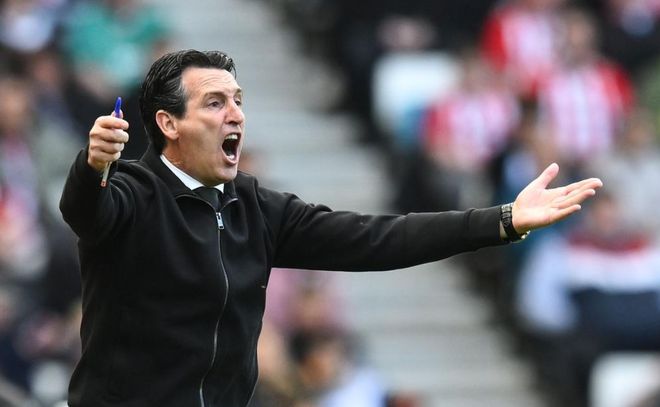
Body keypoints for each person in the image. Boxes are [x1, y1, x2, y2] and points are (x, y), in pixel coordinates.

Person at [58, 49, 602, 407]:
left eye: (239, 102)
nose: (236, 115)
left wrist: (501, 220)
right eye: (215, 103)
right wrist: (93, 166)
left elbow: (376, 238)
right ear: (168, 123)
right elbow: (85, 212)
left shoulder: (254, 207)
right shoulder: (131, 192)